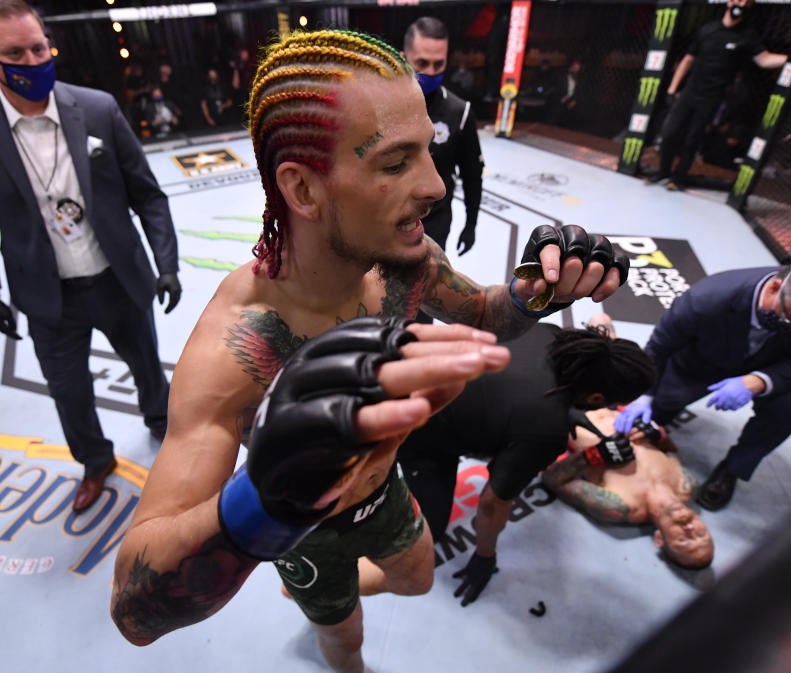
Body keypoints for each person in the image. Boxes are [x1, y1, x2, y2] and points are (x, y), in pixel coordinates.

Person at [110, 29, 626, 673]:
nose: (437, 186)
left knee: (417, 578)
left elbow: (488, 313)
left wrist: (542, 289)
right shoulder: (236, 351)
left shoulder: (404, 260)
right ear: (302, 190)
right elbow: (132, 613)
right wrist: (267, 502)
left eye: (427, 152)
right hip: (307, 532)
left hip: (386, 483)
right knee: (346, 640)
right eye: (394, 162)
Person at [0, 0, 181, 513]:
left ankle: (161, 426)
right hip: (48, 297)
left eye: (38, 47)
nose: (32, 60)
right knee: (69, 394)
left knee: (148, 369)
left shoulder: (98, 108)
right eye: (15, 52)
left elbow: (148, 195)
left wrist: (165, 262)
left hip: (118, 281)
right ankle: (95, 462)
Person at [398, 321, 656, 605]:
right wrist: (485, 556)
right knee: (430, 531)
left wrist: (563, 410)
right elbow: (492, 503)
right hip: (418, 432)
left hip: (420, 374)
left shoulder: (550, 334)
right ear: (595, 398)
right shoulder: (544, 432)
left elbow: (522, 380)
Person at [615, 262, 791, 511]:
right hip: (705, 357)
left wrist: (759, 381)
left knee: (789, 407)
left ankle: (732, 469)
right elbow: (660, 346)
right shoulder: (709, 298)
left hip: (770, 363)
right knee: (654, 413)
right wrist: (645, 393)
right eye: (790, 320)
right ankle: (666, 404)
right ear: (775, 288)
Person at [543, 405, 714, 570]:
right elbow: (670, 451)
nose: (689, 529)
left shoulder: (618, 507)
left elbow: (553, 480)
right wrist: (658, 434)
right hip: (613, 401)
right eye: (701, 535)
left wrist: (593, 456)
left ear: (660, 539)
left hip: (564, 412)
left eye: (683, 540)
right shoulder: (687, 485)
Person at [647, 0, 788, 189]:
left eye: (747, 2)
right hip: (690, 91)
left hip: (712, 97)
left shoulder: (746, 36)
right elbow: (688, 59)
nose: (742, 4)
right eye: (739, 0)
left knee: (693, 139)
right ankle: (663, 171)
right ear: (730, 2)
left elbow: (764, 60)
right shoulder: (708, 29)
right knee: (669, 133)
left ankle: (678, 179)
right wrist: (672, 89)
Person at [402, 17, 483, 259]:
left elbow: (472, 175)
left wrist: (471, 225)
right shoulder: (380, 106)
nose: (430, 72)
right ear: (404, 56)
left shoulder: (460, 112)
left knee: (427, 292)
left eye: (439, 64)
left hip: (434, 224)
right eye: (422, 63)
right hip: (385, 220)